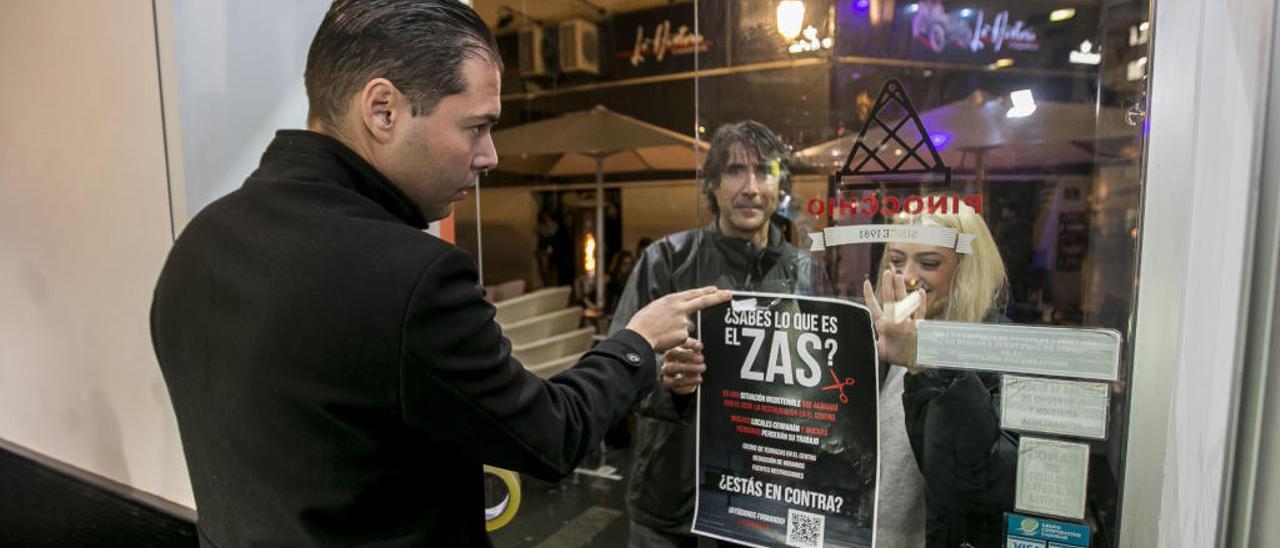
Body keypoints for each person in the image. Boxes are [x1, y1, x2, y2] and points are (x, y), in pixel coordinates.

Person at [149, 1, 730, 546]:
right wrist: (638, 341)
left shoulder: (199, 243)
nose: (490, 156)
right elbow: (552, 436)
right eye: (476, 126)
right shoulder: (412, 276)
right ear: (383, 110)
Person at [609, 121, 819, 547]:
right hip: (671, 503)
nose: (751, 187)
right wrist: (668, 383)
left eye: (765, 171)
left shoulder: (806, 272)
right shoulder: (667, 260)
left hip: (763, 505)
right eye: (735, 170)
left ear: (782, 185)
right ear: (713, 183)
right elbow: (620, 366)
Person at [861, 197, 1017, 548]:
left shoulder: (1001, 348)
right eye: (897, 261)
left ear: (966, 269)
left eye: (929, 262)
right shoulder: (879, 337)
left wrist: (924, 365)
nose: (909, 277)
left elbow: (984, 488)